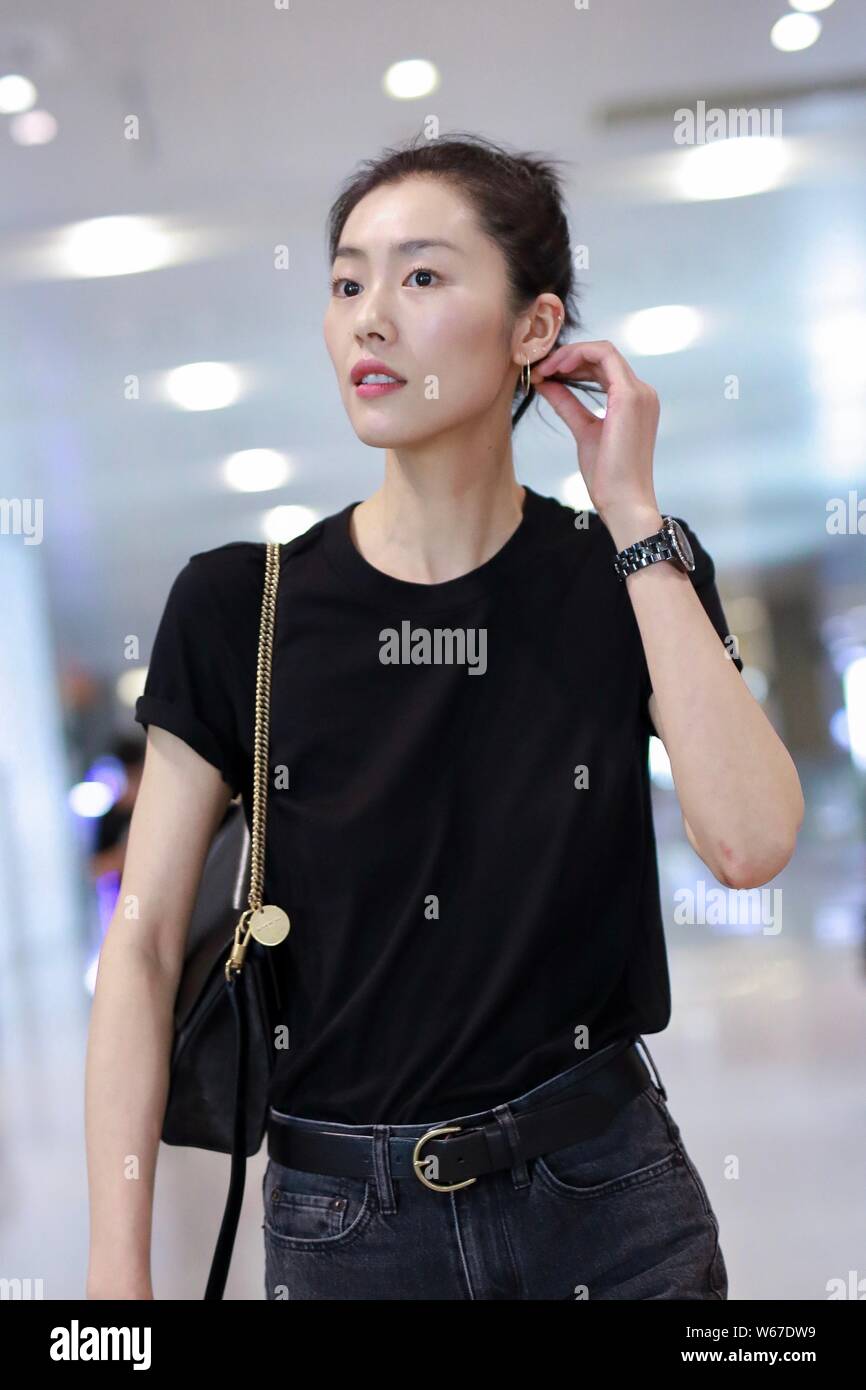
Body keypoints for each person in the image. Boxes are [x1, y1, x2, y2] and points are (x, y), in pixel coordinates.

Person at [85, 133, 804, 1301]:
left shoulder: (620, 575)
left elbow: (748, 841)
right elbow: (146, 944)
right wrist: (117, 1271)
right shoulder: (237, 606)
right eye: (345, 280)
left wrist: (630, 509)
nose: (370, 316)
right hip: (346, 1225)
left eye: (420, 275)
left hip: (607, 1203)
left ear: (534, 329)